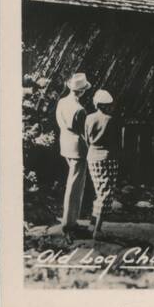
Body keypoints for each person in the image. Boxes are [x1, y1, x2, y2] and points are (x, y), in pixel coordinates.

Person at [55, 72, 91, 237]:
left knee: (73, 184)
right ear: (82, 91)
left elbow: (60, 122)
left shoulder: (62, 102)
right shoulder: (80, 109)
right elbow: (84, 133)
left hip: (65, 144)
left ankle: (71, 222)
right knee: (75, 187)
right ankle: (69, 225)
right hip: (77, 148)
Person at [85, 89, 119, 239]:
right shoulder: (109, 120)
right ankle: (97, 230)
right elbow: (115, 142)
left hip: (92, 155)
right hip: (107, 157)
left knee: (99, 191)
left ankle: (92, 224)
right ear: (105, 105)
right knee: (106, 193)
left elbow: (86, 138)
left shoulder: (89, 118)